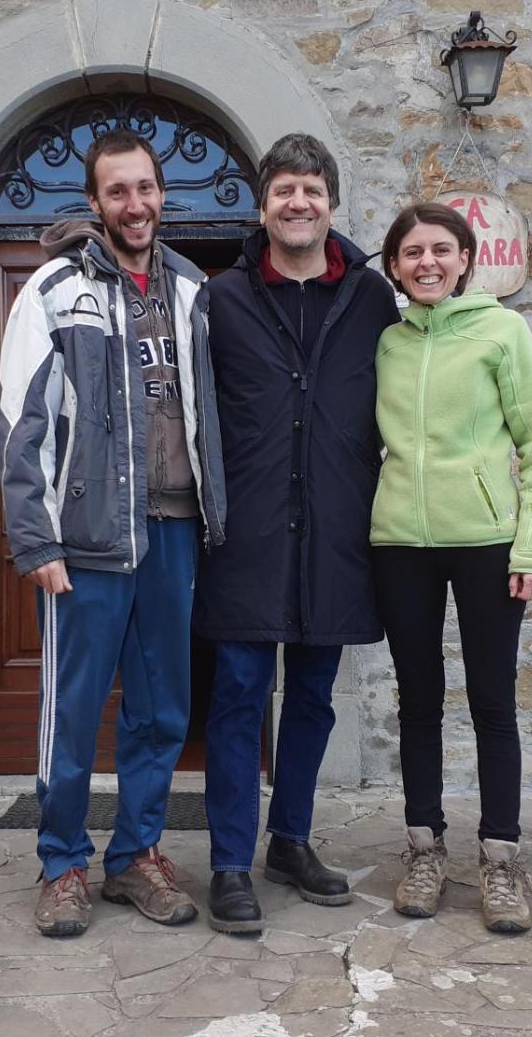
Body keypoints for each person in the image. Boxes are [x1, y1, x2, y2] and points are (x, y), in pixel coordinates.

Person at [0, 129, 227, 937]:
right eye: (118, 191)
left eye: (145, 188)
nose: (135, 204)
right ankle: (63, 862)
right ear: (95, 202)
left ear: (164, 194)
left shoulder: (194, 289)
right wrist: (35, 540)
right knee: (73, 710)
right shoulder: (55, 289)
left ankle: (135, 855)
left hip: (173, 529)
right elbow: (20, 419)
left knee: (162, 711)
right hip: (86, 537)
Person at [194, 133, 401, 933]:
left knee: (313, 699)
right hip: (245, 533)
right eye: (284, 189)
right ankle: (228, 861)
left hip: (337, 527)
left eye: (312, 190)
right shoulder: (222, 300)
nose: (298, 202)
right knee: (238, 698)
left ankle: (290, 840)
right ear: (262, 207)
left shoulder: (373, 298)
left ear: (332, 203)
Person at [370, 202, 532, 934]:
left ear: (464, 260)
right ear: (394, 267)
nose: (427, 262)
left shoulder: (502, 331)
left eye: (440, 250)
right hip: (400, 543)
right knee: (418, 702)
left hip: (487, 543)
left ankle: (500, 858)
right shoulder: (387, 343)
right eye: (412, 252)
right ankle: (424, 849)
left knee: (492, 703)